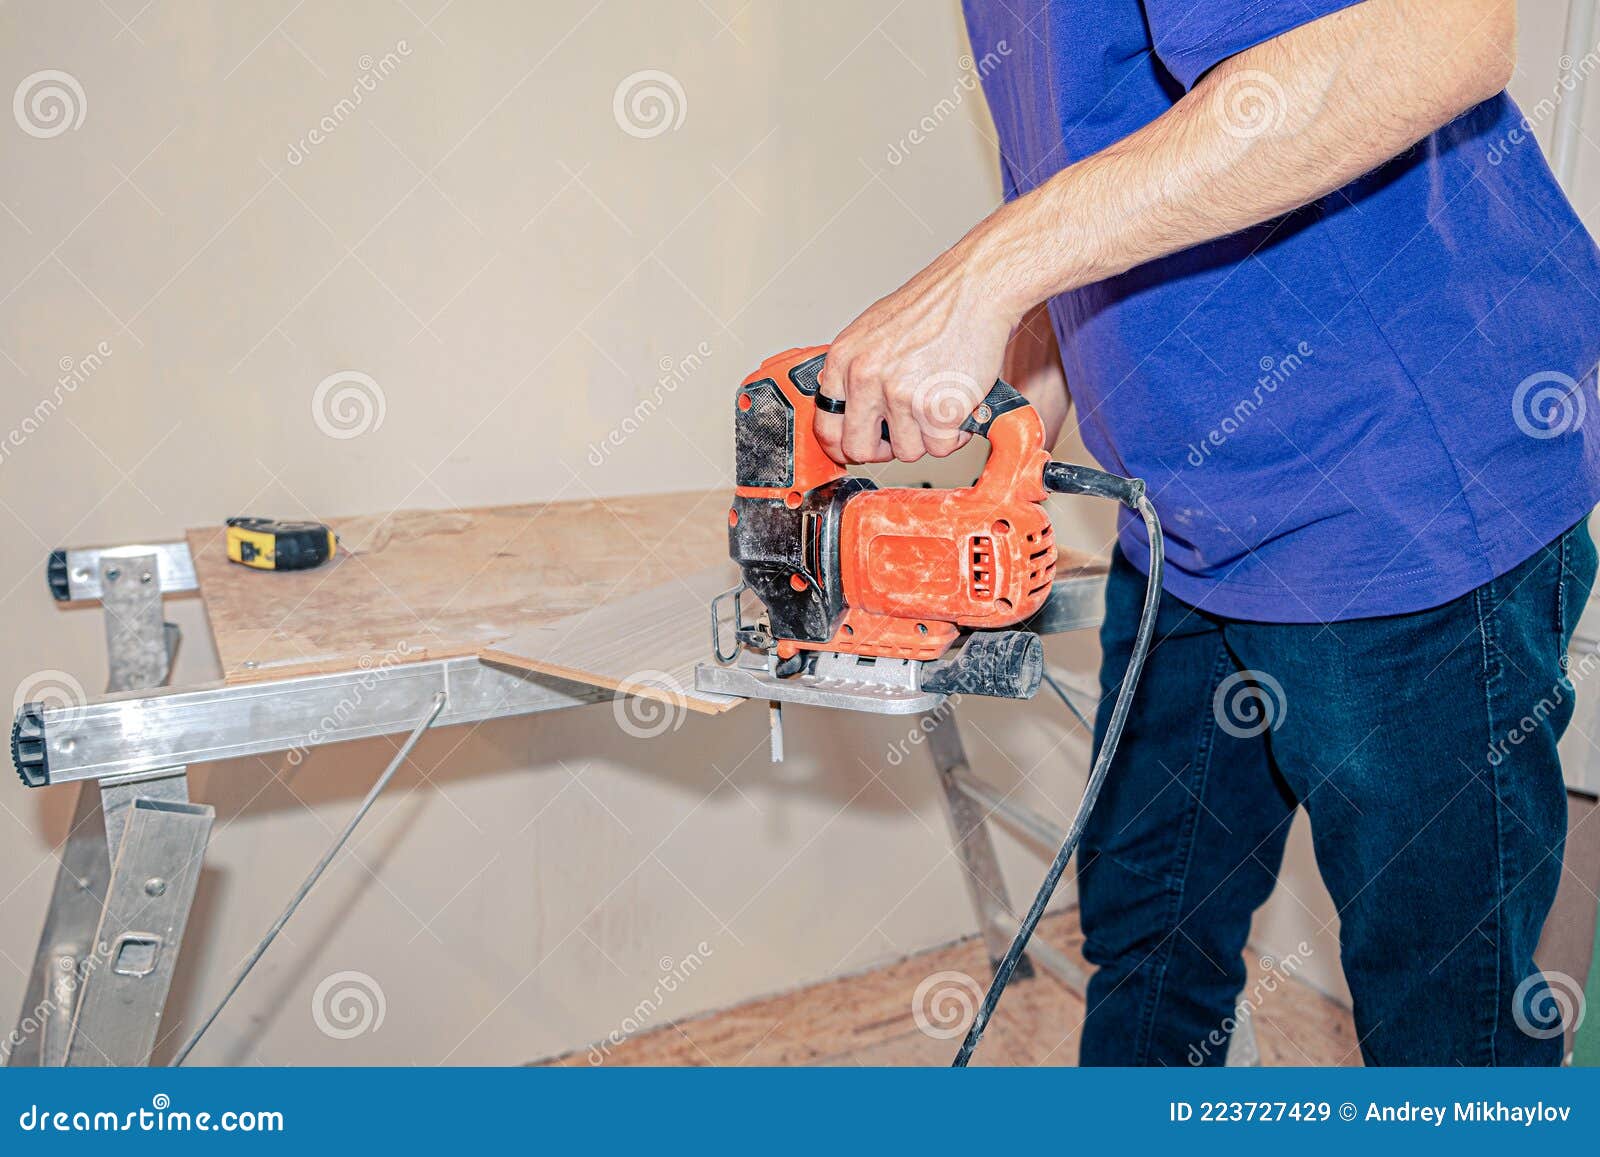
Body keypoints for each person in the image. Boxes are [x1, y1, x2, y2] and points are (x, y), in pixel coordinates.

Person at [814, 0, 1600, 1065]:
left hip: (1393, 500)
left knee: (1446, 1030)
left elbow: (1437, 35)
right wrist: (1007, 451)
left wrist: (978, 273)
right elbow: (1092, 175)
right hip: (1181, 516)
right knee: (1147, 940)